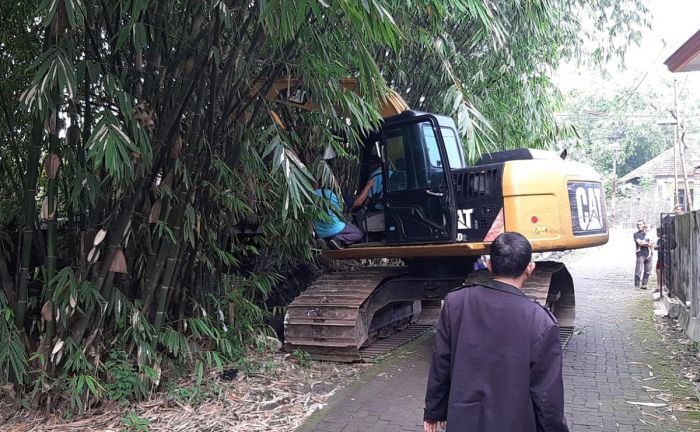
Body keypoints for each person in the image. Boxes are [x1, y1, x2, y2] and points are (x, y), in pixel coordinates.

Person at [423, 232, 568, 432]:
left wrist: (434, 411)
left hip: (464, 421)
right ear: (530, 268)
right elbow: (547, 395)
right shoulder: (541, 321)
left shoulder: (456, 302)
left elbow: (441, 363)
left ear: (489, 265)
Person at [313, 183, 363, 249]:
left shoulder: (312, 194)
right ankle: (338, 239)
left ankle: (325, 240)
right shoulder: (337, 194)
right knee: (359, 233)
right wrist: (368, 186)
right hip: (334, 227)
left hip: (319, 231)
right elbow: (357, 202)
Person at [633, 220, 653, 289]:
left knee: (648, 271)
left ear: (644, 225)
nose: (639, 226)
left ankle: (644, 285)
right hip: (641, 254)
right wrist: (648, 244)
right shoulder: (636, 234)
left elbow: (653, 243)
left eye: (640, 224)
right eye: (638, 225)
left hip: (649, 254)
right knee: (638, 270)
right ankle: (637, 285)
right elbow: (639, 243)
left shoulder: (648, 233)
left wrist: (647, 243)